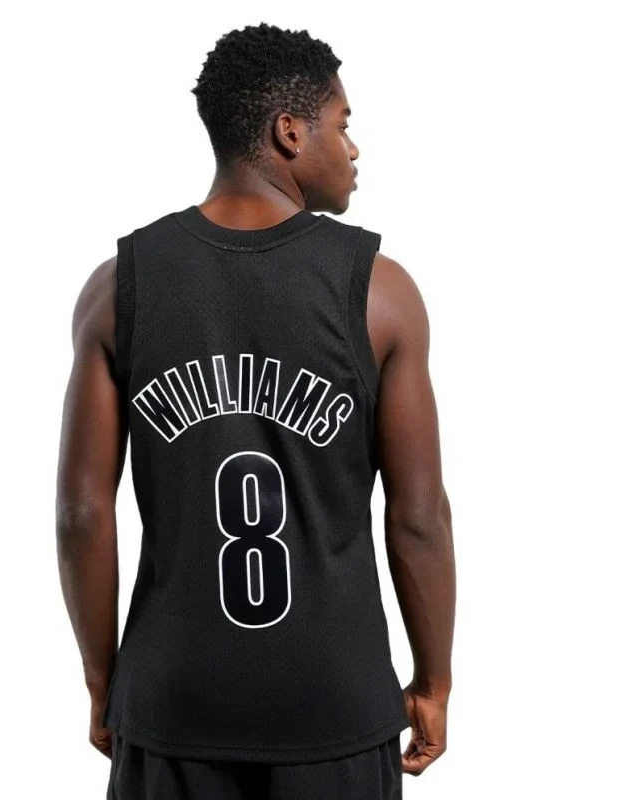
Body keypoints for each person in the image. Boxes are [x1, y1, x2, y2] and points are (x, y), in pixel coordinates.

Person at [56, 22, 456, 799]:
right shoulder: (380, 291)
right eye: (342, 125)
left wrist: (104, 680)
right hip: (335, 705)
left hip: (172, 699)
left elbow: (81, 513)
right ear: (289, 132)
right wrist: (433, 681)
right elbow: (418, 517)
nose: (354, 148)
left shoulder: (118, 288)